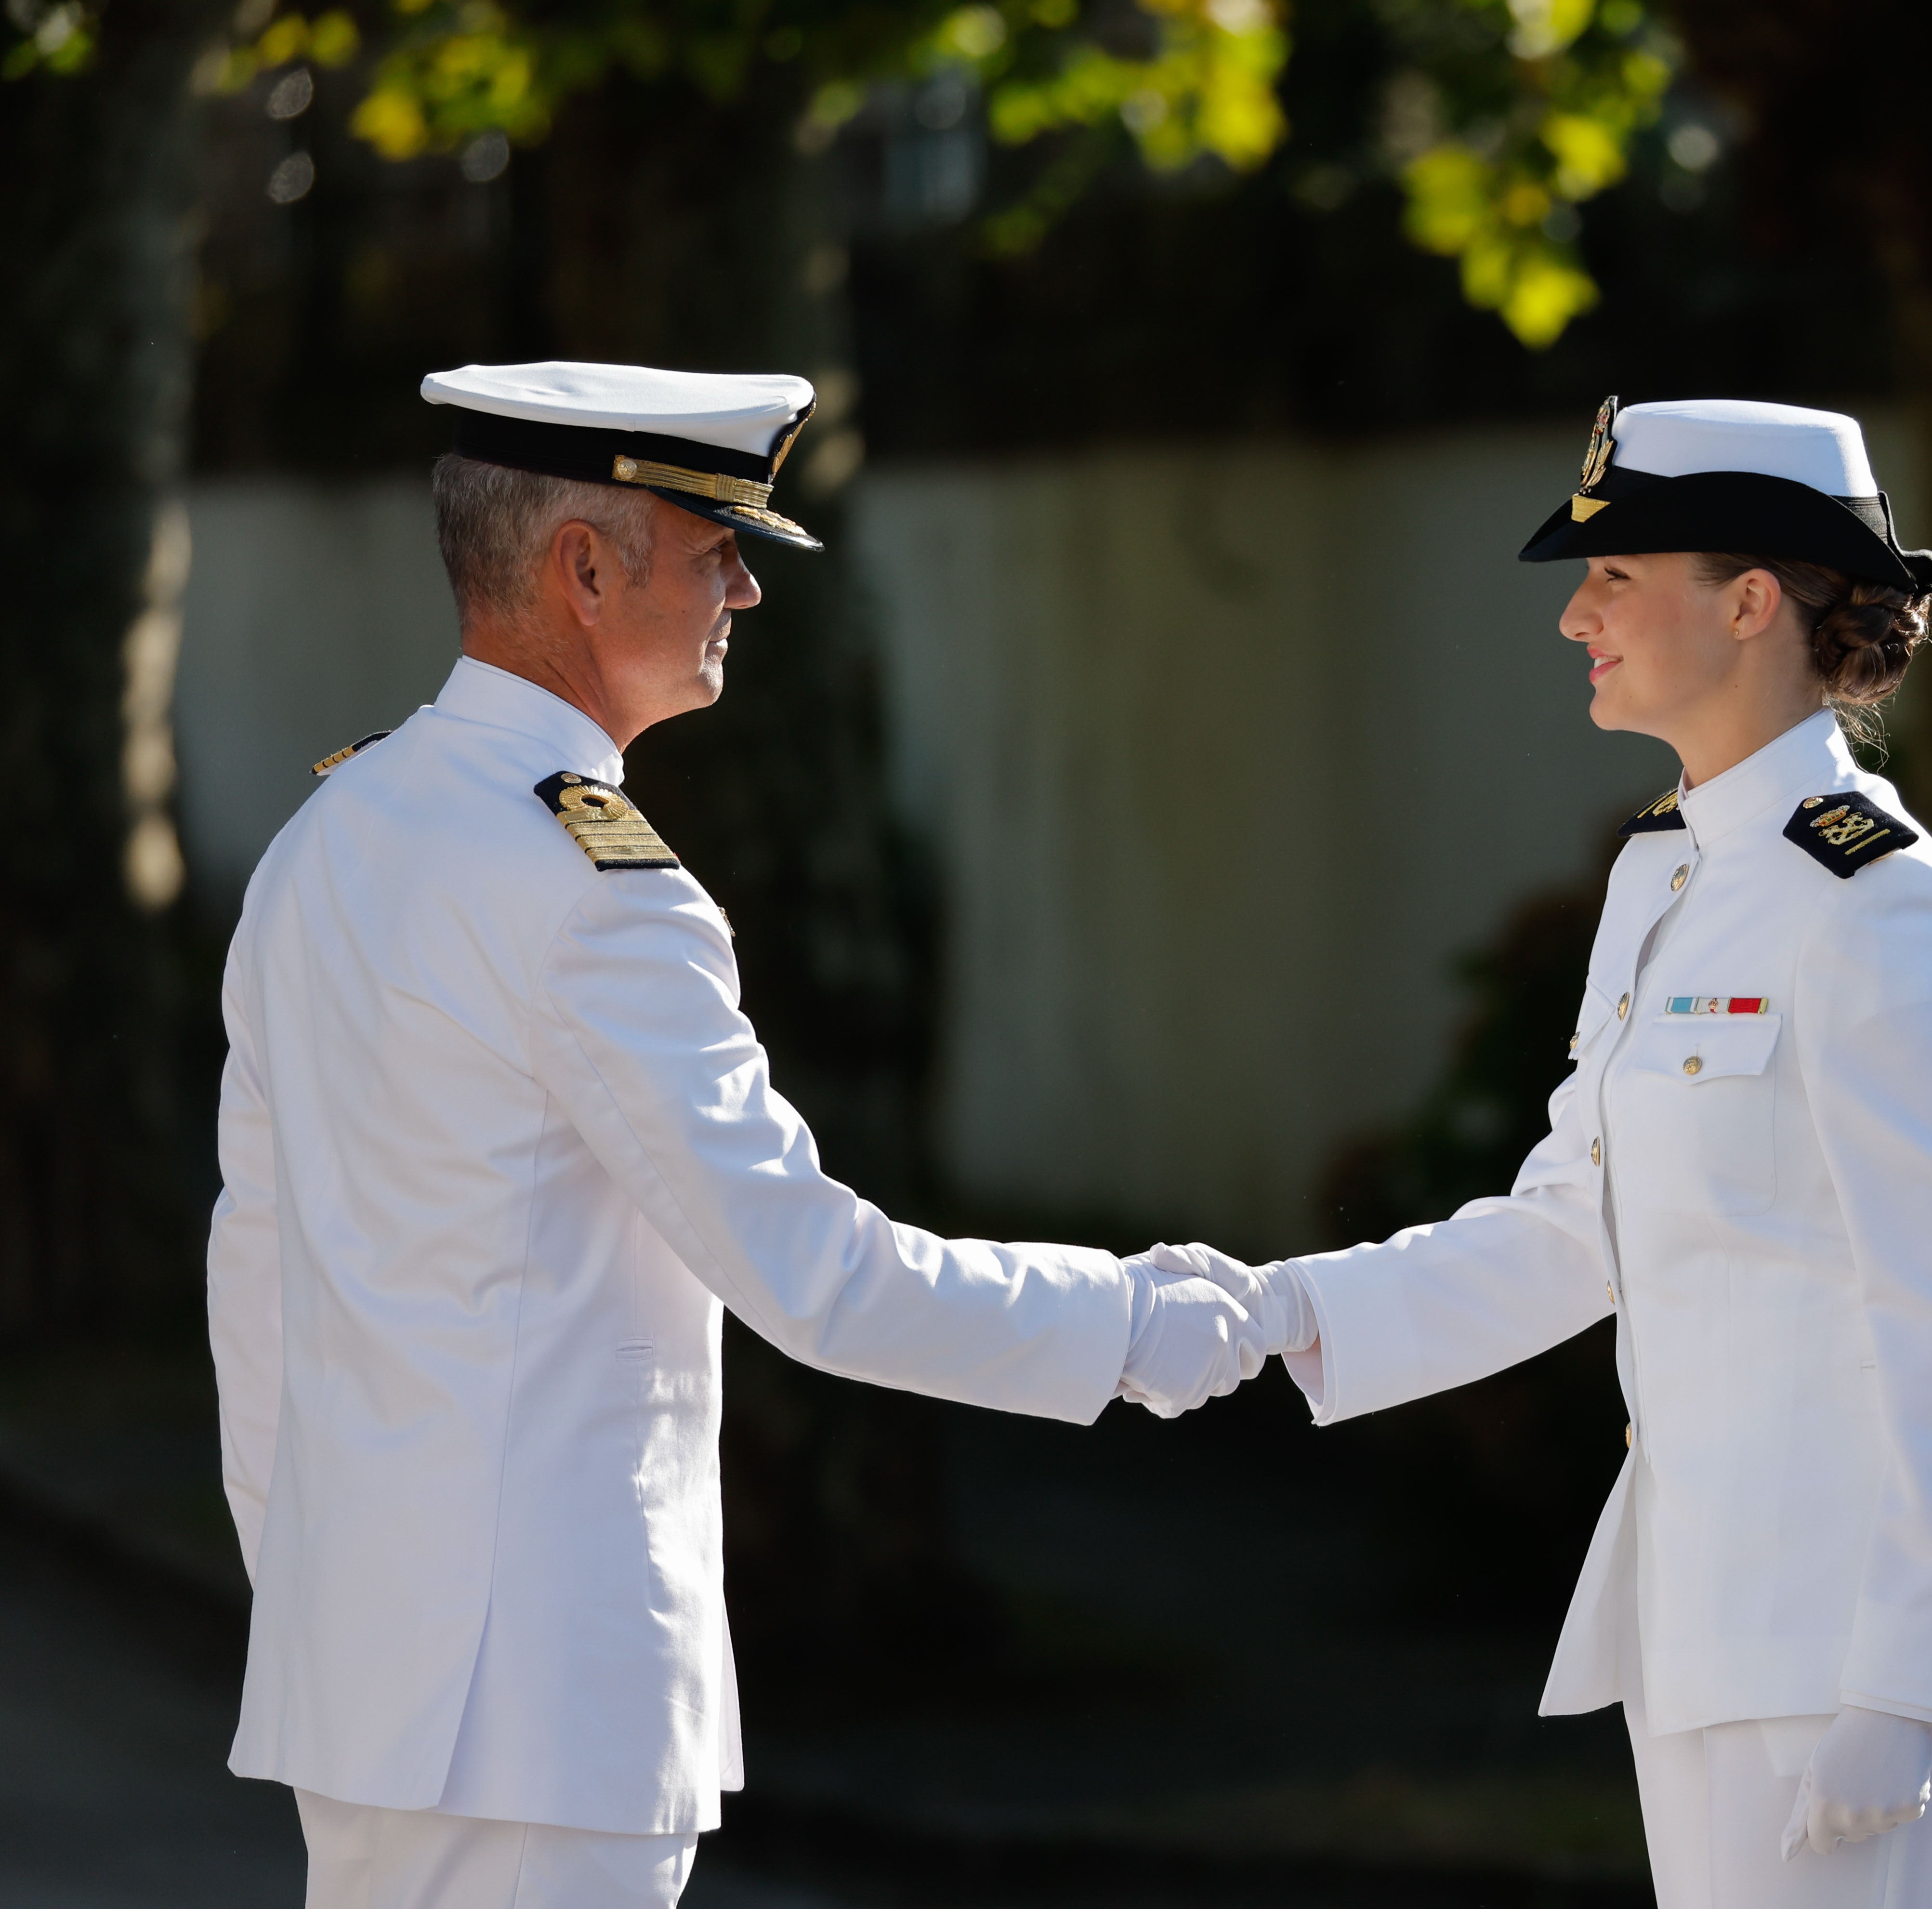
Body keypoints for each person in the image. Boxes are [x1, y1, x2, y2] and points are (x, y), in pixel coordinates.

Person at [204, 361, 1264, 1909]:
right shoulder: (597, 892)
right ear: (582, 568)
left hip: (362, 1678)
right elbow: (817, 1278)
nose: (748, 591)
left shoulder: (331, 835)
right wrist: (1138, 1324)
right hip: (545, 1710)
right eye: (715, 549)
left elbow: (259, 1278)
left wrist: (316, 1584)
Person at [1153, 398, 1932, 1909]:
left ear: (1751, 601)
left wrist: (1910, 1682)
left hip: (1856, 1637)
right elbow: (1576, 1231)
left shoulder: (1875, 899)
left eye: (1616, 577)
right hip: (1709, 1621)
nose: (1575, 615)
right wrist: (1289, 1314)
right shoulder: (1670, 879)